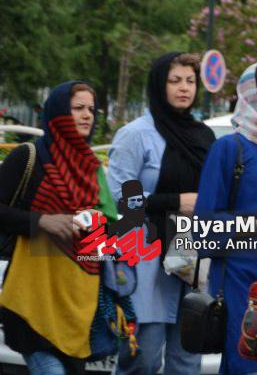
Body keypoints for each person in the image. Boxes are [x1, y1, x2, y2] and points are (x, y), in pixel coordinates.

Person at [0, 81, 131, 374]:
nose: (87, 115)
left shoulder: (92, 168)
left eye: (91, 110)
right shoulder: (29, 156)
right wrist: (40, 221)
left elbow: (106, 233)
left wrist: (96, 225)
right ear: (58, 111)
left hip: (78, 301)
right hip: (32, 296)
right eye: (78, 108)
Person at [109, 51, 211, 375]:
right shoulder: (136, 134)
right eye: (175, 80)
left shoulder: (203, 135)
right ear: (158, 85)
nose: (184, 88)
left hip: (189, 252)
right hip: (146, 258)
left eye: (190, 81)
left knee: (187, 361)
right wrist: (175, 202)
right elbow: (118, 198)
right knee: (143, 358)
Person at [195, 62, 257, 375]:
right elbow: (204, 231)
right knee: (253, 366)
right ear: (252, 99)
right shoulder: (229, 148)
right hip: (241, 283)